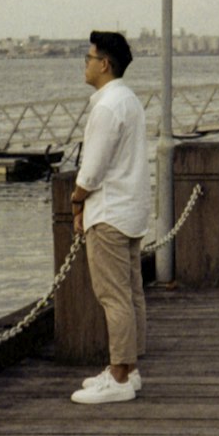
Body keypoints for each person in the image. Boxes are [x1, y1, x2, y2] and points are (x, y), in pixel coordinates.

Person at [69, 30, 151, 404]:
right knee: (131, 294)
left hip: (109, 213)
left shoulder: (106, 106)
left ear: (104, 64)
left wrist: (77, 199)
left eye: (88, 58)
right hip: (131, 209)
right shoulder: (129, 100)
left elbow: (93, 166)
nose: (84, 65)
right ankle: (129, 369)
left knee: (113, 296)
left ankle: (118, 375)